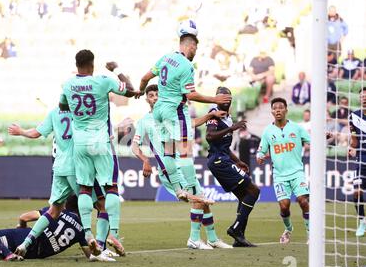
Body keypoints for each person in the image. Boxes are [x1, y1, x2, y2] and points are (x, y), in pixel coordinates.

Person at [9, 104, 119, 261]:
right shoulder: (82, 114)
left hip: (59, 168)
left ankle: (25, 244)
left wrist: (20, 131)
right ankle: (98, 248)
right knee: (102, 205)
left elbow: (36, 133)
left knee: (54, 211)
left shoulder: (54, 112)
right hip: (77, 167)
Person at [131, 84, 232, 249]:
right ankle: (194, 239)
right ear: (146, 99)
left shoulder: (171, 115)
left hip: (183, 163)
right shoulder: (144, 121)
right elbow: (134, 146)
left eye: (158, 94)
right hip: (169, 169)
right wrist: (145, 160)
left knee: (201, 198)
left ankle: (212, 239)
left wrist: (211, 115)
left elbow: (190, 124)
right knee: (198, 198)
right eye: (151, 95)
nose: (155, 97)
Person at [138, 32, 231, 209]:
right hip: (175, 110)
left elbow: (145, 78)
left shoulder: (166, 57)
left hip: (159, 111)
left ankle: (178, 189)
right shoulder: (187, 66)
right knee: (185, 153)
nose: (195, 51)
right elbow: (190, 94)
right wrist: (214, 100)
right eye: (195, 48)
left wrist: (139, 91)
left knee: (169, 151)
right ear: (190, 46)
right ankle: (196, 192)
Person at [61, 50, 139, 256]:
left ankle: (88, 234)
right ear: (92, 65)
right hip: (101, 142)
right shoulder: (103, 81)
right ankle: (113, 233)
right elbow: (131, 90)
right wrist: (116, 70)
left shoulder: (67, 85)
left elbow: (62, 105)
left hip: (80, 144)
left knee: (86, 188)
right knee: (111, 187)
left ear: (76, 64)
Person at [206, 87, 261, 247]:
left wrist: (237, 161)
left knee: (245, 196)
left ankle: (239, 236)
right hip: (218, 161)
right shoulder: (214, 114)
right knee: (254, 191)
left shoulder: (228, 118)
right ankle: (236, 229)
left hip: (223, 159)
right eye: (220, 98)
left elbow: (224, 147)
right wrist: (231, 128)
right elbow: (209, 137)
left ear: (230, 100)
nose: (223, 100)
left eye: (226, 98)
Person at [256, 98, 310, 244]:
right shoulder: (268, 131)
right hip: (280, 175)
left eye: (281, 107)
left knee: (303, 201)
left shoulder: (297, 128)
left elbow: (311, 140)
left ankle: (310, 233)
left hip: (297, 172)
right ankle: (289, 228)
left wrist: (323, 137)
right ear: (272, 111)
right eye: (275, 108)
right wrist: (260, 157)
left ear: (286, 110)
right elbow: (261, 150)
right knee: (284, 207)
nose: (278, 110)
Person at [348, 87, 366, 237]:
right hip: (361, 157)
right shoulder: (354, 116)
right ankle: (362, 221)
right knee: (356, 192)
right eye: (362, 97)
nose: (364, 98)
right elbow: (354, 141)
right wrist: (351, 148)